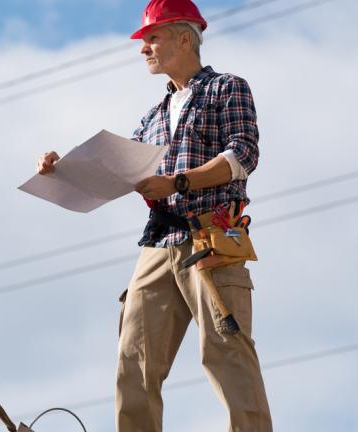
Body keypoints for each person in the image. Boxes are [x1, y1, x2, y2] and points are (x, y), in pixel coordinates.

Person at [35, 1, 272, 430]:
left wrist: (177, 182)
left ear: (184, 38)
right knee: (134, 359)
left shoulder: (226, 88)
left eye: (152, 37)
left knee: (226, 351)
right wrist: (60, 169)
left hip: (212, 239)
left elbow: (243, 154)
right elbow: (120, 171)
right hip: (159, 244)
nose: (143, 48)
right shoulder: (154, 117)